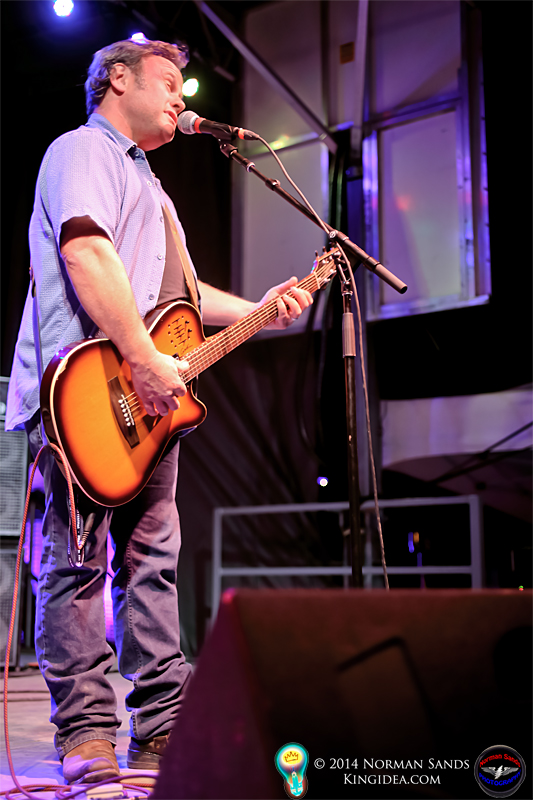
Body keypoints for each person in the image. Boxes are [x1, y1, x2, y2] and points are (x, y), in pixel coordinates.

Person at [6, 38, 312, 785]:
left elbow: (189, 298)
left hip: (146, 397)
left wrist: (262, 309)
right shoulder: (82, 150)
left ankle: (162, 726)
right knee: (78, 562)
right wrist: (143, 358)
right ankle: (86, 732)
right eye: (170, 82)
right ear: (119, 79)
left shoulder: (155, 188)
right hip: (86, 388)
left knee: (152, 564)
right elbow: (85, 253)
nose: (182, 97)